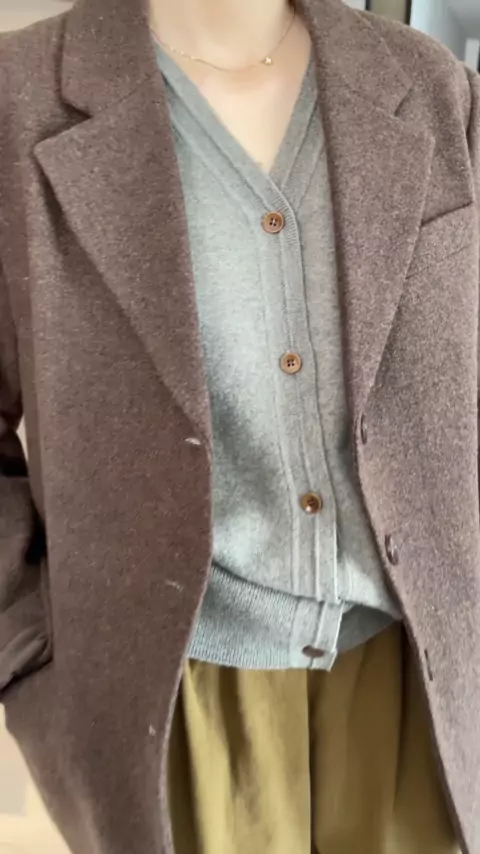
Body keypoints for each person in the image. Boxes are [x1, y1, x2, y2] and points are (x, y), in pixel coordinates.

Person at [0, 0, 479, 852]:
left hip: (427, 684)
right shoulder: (19, 98)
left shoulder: (432, 85)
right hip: (172, 704)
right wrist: (27, 655)